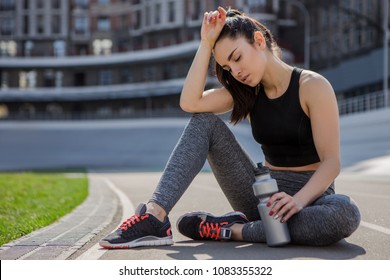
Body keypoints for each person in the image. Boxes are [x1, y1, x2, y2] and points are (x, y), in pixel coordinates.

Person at [99, 6, 361, 249]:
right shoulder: (246, 92)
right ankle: (155, 217)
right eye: (227, 67)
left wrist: (297, 201)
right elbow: (191, 102)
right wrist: (205, 44)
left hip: (311, 198)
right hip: (263, 196)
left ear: (259, 41)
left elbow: (331, 163)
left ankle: (231, 230)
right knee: (204, 121)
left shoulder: (312, 86)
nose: (235, 72)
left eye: (237, 58)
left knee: (344, 214)